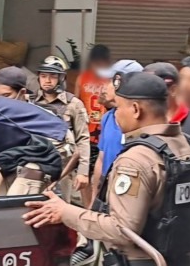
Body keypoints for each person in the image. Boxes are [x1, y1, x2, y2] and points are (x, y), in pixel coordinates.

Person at [23, 72, 190, 266]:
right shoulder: (188, 148)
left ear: (136, 109)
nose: (114, 115)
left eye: (117, 107)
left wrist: (65, 212)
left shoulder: (137, 159)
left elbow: (122, 228)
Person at [32, 56, 91, 207]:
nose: (47, 80)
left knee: (60, 209)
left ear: (61, 78)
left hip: (63, 168)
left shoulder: (73, 104)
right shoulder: (30, 102)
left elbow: (83, 139)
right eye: (43, 76)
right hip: (33, 165)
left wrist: (83, 172)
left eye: (52, 76)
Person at [93, 59, 144, 199]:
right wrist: (94, 198)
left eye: (109, 81)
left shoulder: (141, 121)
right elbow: (101, 159)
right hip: (106, 193)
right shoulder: (107, 118)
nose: (104, 86)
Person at [75, 45, 112, 174]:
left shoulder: (110, 80)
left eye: (102, 62)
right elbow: (75, 102)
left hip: (103, 129)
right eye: (96, 62)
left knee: (101, 165)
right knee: (84, 167)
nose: (99, 65)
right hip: (86, 129)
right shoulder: (82, 78)